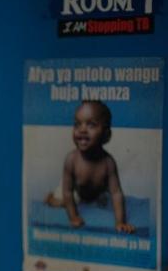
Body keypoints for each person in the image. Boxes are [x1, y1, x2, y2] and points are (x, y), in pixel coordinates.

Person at [44, 100, 135, 233]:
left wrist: (120, 222)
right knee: (62, 200)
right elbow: (68, 192)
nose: (82, 130)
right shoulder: (71, 160)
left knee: (104, 200)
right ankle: (51, 199)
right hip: (74, 191)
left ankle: (90, 200)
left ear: (106, 135)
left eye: (91, 124)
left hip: (97, 193)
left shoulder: (108, 163)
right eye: (77, 124)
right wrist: (73, 216)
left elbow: (116, 193)